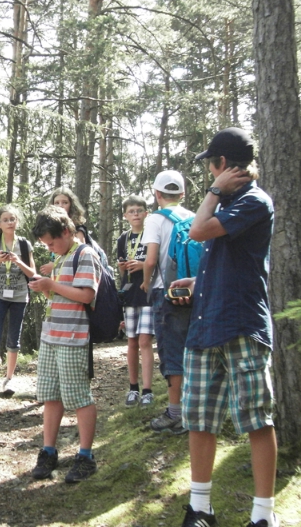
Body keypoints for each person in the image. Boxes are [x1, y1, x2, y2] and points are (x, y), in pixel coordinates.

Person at [173, 128, 279, 527]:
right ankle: (200, 509)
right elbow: (229, 259)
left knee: (256, 419)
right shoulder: (230, 203)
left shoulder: (253, 200)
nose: (209, 173)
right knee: (199, 419)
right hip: (206, 326)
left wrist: (214, 191)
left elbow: (197, 230)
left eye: (211, 165)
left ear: (221, 164)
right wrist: (197, 283)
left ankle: (263, 516)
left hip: (241, 326)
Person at [27, 205, 100, 483]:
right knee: (51, 395)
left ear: (67, 231)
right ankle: (48, 451)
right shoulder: (59, 258)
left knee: (79, 396)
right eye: (46, 244)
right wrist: (45, 287)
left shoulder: (85, 254)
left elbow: (86, 295)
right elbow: (58, 296)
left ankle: (85, 456)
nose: (50, 248)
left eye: (52, 242)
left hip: (73, 337)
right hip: (51, 336)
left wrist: (52, 285)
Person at [140, 170, 194, 434]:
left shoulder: (155, 219)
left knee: (172, 351)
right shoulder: (194, 217)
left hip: (167, 292)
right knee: (193, 349)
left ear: (157, 193)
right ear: (182, 194)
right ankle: (194, 408)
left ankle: (176, 413)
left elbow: (150, 260)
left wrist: (146, 283)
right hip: (194, 289)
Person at [0, 204, 36, 403]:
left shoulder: (25, 244)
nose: (10, 222)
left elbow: (33, 274)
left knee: (14, 338)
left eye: (12, 219)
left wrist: (18, 261)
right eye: (5, 220)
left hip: (19, 295)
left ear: (17, 221)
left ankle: (9, 380)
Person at [116, 195, 155, 408]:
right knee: (131, 341)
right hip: (130, 294)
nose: (136, 214)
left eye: (139, 210)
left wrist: (143, 265)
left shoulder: (152, 234)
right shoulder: (123, 238)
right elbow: (122, 267)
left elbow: (156, 261)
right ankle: (133, 388)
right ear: (125, 216)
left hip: (148, 292)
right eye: (131, 211)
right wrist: (123, 267)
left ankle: (148, 390)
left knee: (144, 341)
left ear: (146, 213)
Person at [38, 188, 88, 276]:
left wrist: (54, 264)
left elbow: (80, 252)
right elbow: (54, 252)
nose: (60, 206)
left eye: (65, 202)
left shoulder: (78, 228)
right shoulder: (52, 228)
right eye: (57, 203)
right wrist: (52, 262)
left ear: (71, 205)